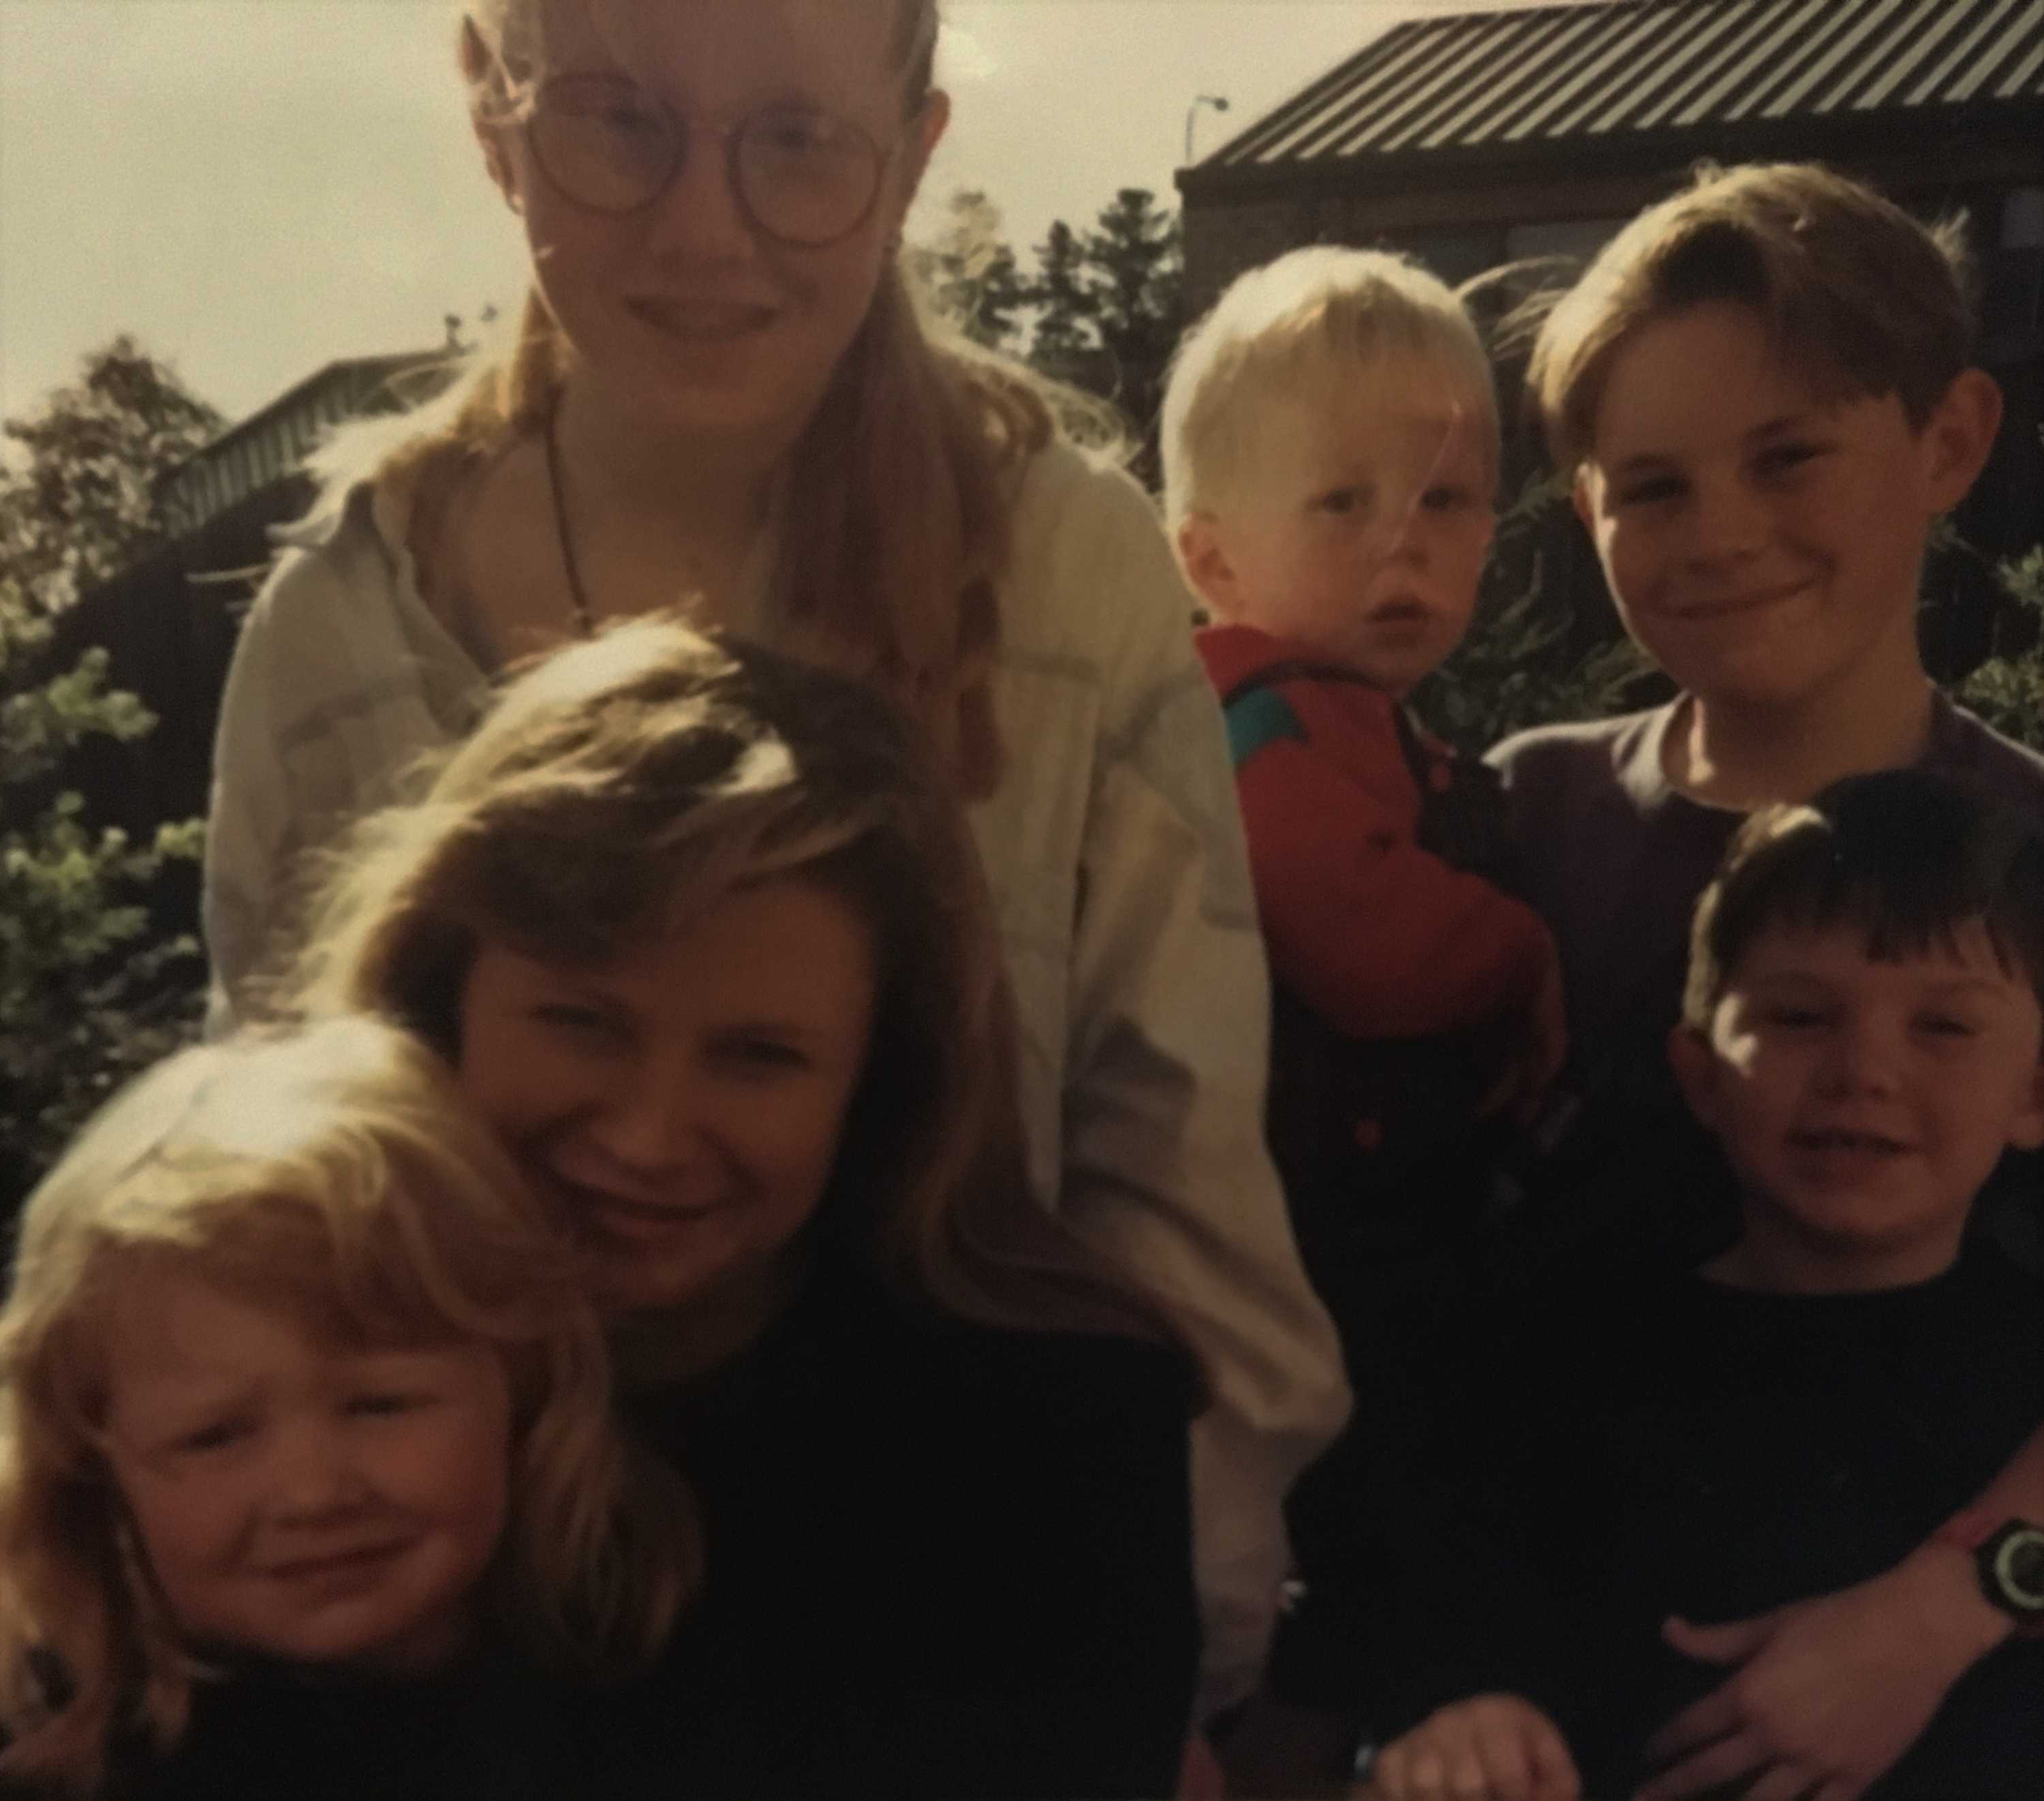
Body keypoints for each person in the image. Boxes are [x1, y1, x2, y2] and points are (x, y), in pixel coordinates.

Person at [198, 0, 1345, 1709]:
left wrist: (1164, 1647)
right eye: (618, 122)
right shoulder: (346, 627)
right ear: (490, 112)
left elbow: (1170, 1166)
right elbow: (281, 1228)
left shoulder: (1058, 569)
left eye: (797, 143)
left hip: (953, 1612)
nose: (704, 224)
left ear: (911, 158)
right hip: (476, 1648)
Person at [278, 617, 1207, 1798]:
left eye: (759, 1056)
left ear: (882, 1075)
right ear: (437, 998)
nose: (648, 1136)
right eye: (583, 1021)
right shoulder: (257, 1389)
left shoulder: (1054, 1427)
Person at [1483, 161, 2044, 1799]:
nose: (1717, 531)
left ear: (1945, 440)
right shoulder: (1505, 817)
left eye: (1786, 455)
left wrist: (1940, 1607)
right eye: (1645, 486)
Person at [1366, 772, 2044, 1801]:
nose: (1863, 1069)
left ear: (2034, 1094)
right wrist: (1466, 1735)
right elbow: (1452, 1657)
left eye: (1944, 1027)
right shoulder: (1551, 1363)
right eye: (1800, 1016)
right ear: (1700, 1078)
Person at [0, 1016, 689, 1800]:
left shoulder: (658, 1676)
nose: (314, 1493)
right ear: (96, 1469)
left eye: (380, 1405)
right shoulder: (65, 1757)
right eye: (214, 1436)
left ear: (522, 1383)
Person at [1161, 243, 1562, 1315]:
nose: (1403, 545)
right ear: (1210, 563)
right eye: (1344, 502)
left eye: (1445, 500)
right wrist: (1517, 953)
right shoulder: (1254, 720)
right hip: (1301, 1255)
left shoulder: (1356, 721)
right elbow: (1354, 930)